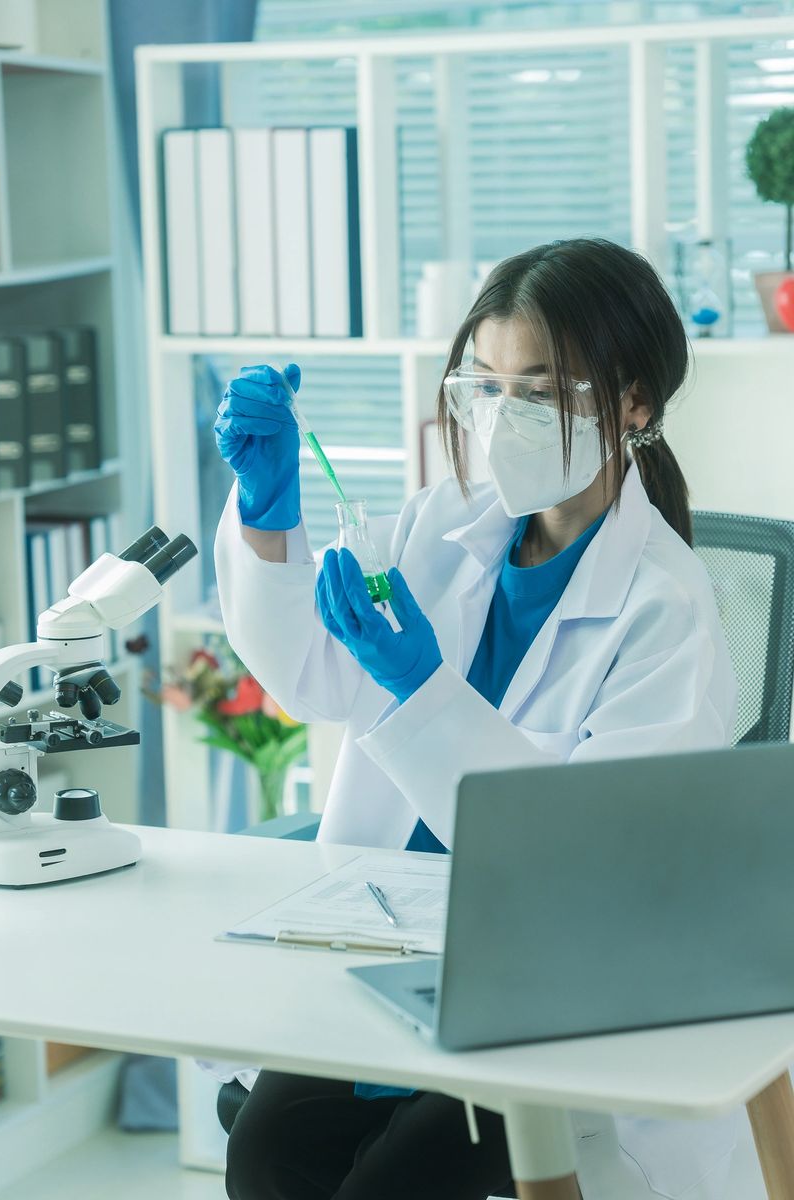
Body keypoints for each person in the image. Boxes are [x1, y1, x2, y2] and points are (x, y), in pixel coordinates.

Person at [205, 237, 740, 1200]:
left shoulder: (668, 610)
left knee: (389, 1187)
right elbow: (315, 682)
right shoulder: (439, 527)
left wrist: (424, 690)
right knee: (267, 1156)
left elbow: (576, 859)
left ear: (636, 403)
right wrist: (264, 511)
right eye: (485, 387)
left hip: (554, 983)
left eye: (542, 389)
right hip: (396, 942)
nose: (506, 420)